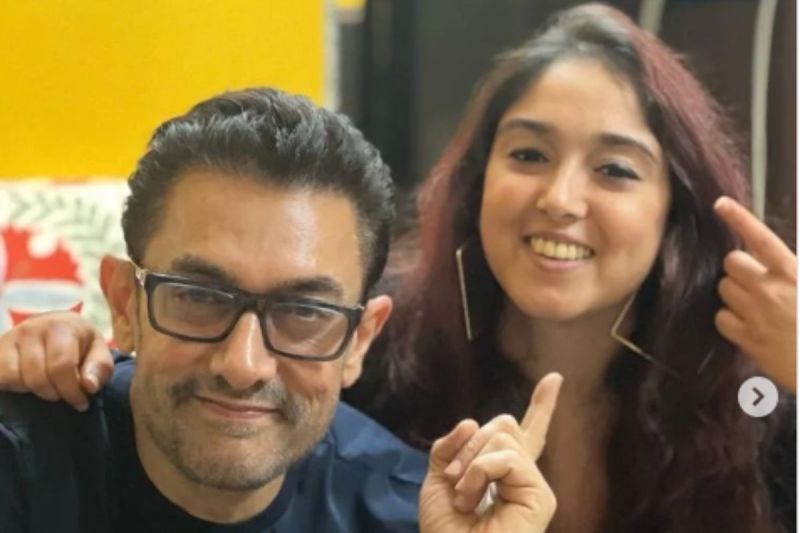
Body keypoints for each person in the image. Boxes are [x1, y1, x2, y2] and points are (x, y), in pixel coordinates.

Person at [0, 4, 795, 532]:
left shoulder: (748, 386)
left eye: (615, 169)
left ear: (676, 206)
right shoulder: (396, 349)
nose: (560, 199)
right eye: (528, 154)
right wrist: (60, 350)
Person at [0, 88, 560, 533]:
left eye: (304, 312)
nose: (243, 365)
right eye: (199, 297)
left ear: (360, 340)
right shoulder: (20, 463)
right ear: (126, 304)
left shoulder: (418, 518)